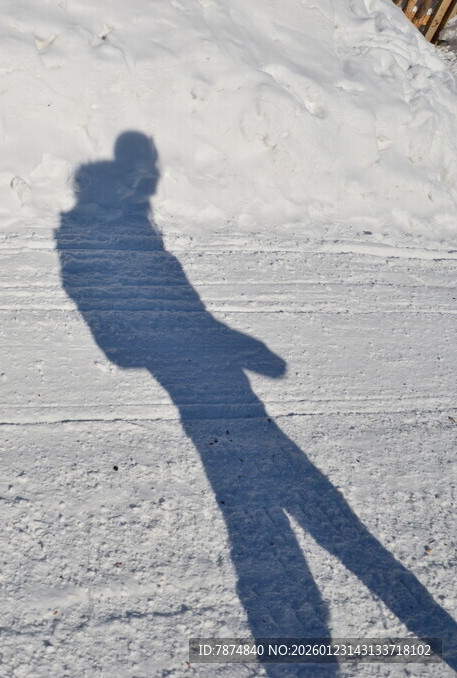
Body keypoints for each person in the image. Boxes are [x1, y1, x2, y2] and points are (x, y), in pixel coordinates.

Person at [58, 131, 457, 675]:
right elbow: (121, 336)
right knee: (262, 512)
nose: (148, 183)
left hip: (210, 377)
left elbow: (178, 312)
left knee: (269, 494)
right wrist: (189, 346)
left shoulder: (131, 232)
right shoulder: (98, 239)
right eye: (141, 174)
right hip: (201, 382)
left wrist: (232, 347)